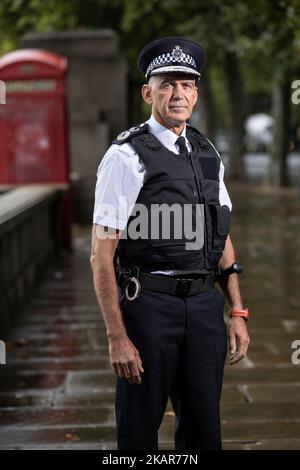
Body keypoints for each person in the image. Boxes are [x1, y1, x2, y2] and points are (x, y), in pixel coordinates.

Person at [90, 37, 250, 451]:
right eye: (168, 84)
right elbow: (101, 254)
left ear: (196, 93)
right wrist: (116, 337)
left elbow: (221, 233)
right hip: (148, 310)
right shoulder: (125, 157)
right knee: (139, 433)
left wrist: (236, 309)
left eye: (188, 84)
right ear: (149, 93)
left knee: (203, 431)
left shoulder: (207, 151)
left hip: (203, 310)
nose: (178, 94)